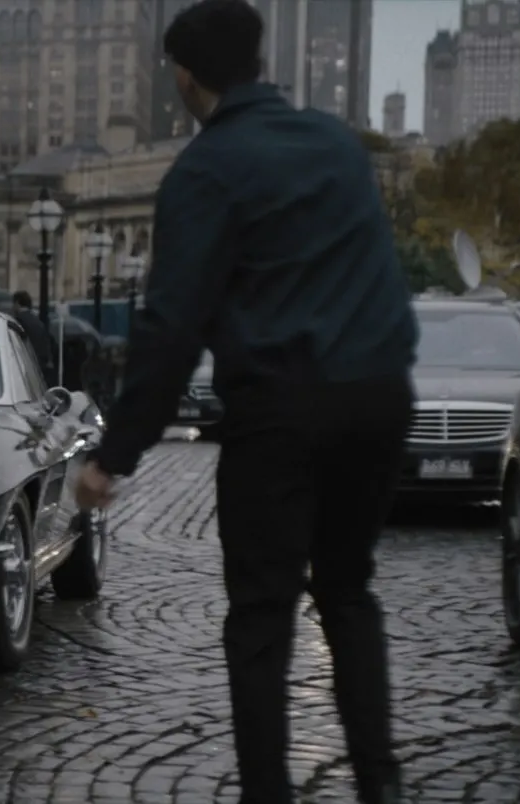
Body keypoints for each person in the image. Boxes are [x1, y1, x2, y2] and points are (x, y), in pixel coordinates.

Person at [71, 4, 417, 803]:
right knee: (349, 592)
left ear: (186, 76)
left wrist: (113, 457)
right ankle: (383, 788)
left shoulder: (205, 171)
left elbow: (172, 326)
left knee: (262, 616)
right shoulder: (337, 144)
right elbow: (382, 273)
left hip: (279, 410)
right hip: (377, 396)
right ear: (258, 61)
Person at [11, 290, 58, 387]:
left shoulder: (18, 320)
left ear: (17, 303)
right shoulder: (37, 321)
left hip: (25, 364)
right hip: (40, 366)